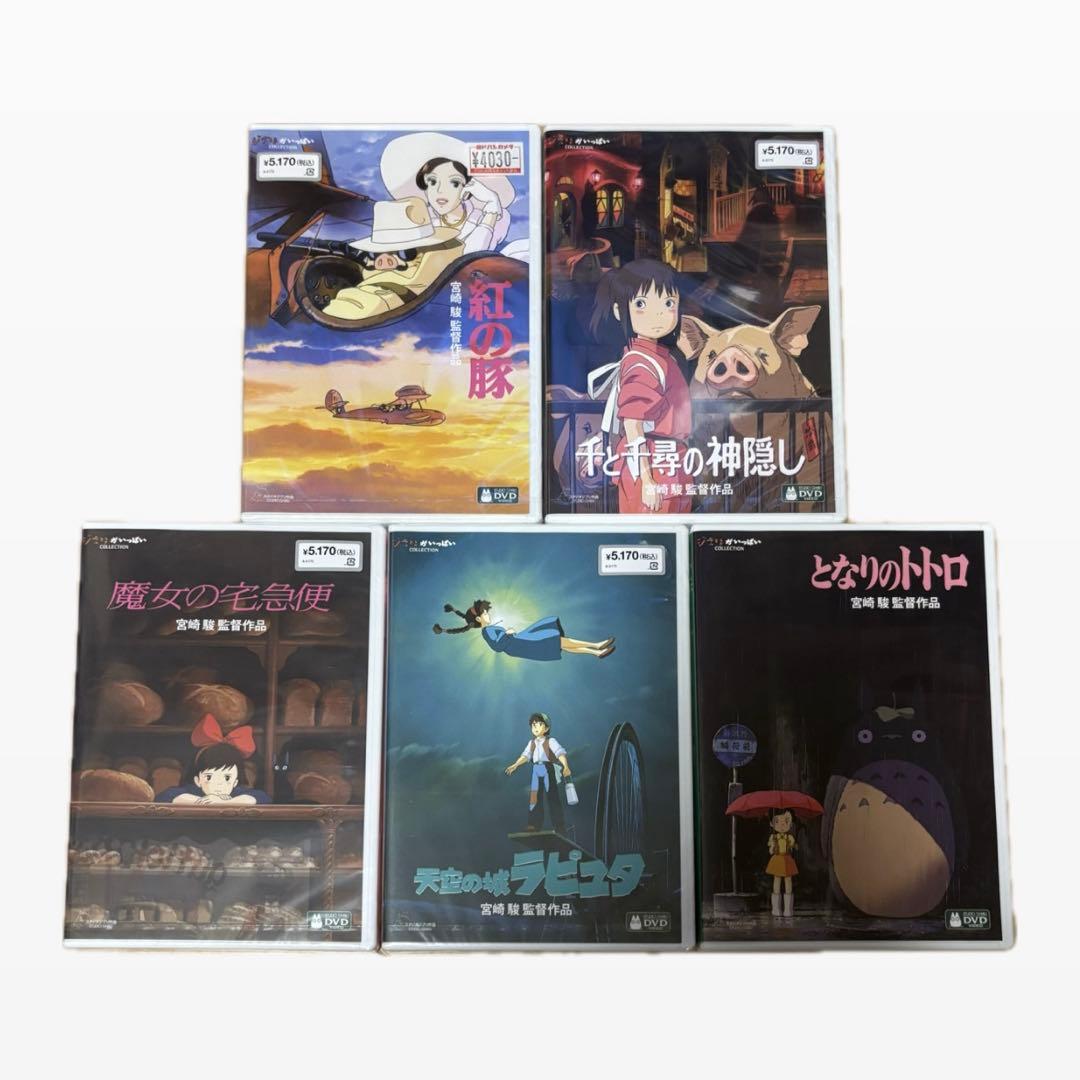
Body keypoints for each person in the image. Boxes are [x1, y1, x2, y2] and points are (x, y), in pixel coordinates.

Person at [587, 259, 693, 513]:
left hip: (667, 460)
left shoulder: (657, 357)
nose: (659, 314)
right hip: (654, 462)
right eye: (642, 304)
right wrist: (647, 480)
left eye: (668, 303)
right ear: (619, 311)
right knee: (656, 529)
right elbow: (633, 424)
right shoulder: (641, 363)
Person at [432, 599, 614, 659]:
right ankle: (596, 646)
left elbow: (466, 621)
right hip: (519, 644)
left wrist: (454, 610)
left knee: (559, 644)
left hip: (520, 641)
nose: (488, 614)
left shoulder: (489, 628)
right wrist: (507, 633)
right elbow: (497, 647)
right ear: (479, 618)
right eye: (485, 613)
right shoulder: (486, 631)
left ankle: (596, 651)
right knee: (557, 640)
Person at [155, 714, 270, 805]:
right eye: (209, 777)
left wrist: (224, 803)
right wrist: (201, 802)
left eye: (227, 778)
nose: (219, 783)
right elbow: (165, 796)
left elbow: (263, 798)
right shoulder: (193, 791)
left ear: (235, 781)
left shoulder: (238, 793)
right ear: (198, 780)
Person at [505, 713, 571, 833]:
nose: (535, 727)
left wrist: (565, 766)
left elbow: (560, 753)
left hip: (548, 768)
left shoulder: (551, 741)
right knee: (534, 797)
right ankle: (534, 825)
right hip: (536, 769)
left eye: (539, 724)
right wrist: (515, 765)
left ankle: (559, 826)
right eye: (533, 725)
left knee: (552, 796)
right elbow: (525, 756)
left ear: (546, 728)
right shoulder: (532, 743)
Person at [766, 809, 798, 917]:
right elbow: (770, 851)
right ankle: (776, 909)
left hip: (787, 859)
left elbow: (792, 847)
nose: (782, 824)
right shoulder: (773, 837)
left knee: (788, 880)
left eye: (786, 821)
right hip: (777, 859)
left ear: (790, 823)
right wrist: (772, 847)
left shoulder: (790, 837)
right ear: (771, 824)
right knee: (777, 880)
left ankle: (788, 909)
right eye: (777, 821)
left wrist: (792, 846)